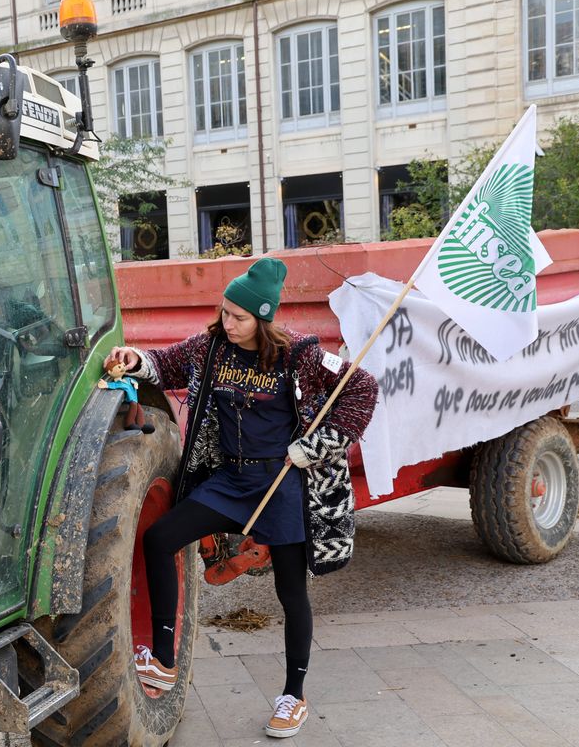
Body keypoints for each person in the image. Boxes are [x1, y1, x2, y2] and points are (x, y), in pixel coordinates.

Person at [110, 257, 378, 739]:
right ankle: (165, 663)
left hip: (282, 484)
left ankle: (293, 696)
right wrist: (135, 359)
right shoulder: (213, 346)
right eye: (225, 312)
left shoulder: (301, 355)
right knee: (159, 538)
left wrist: (314, 447)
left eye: (239, 317)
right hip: (230, 481)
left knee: (290, 592)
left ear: (263, 316)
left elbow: (363, 389)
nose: (227, 323)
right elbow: (164, 364)